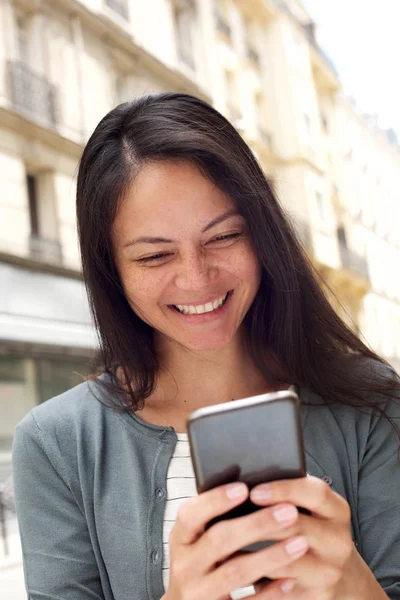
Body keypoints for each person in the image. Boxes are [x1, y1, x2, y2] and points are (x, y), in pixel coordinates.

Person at [12, 92, 400, 600]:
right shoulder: (57, 443)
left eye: (223, 237)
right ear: (113, 271)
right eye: (154, 256)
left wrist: (356, 587)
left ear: (263, 235)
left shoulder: (371, 406)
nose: (196, 279)